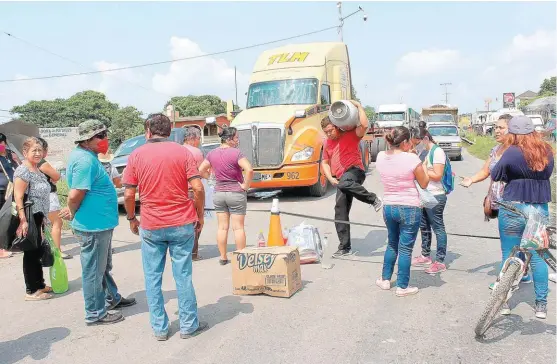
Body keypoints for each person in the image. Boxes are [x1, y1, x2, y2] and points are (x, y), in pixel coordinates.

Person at [123, 113, 208, 341]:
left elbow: (129, 193)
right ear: (170, 131)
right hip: (182, 222)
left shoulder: (136, 155)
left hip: (151, 225)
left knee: (152, 277)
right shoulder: (182, 152)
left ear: (148, 131)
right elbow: (198, 189)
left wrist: (132, 218)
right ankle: (189, 325)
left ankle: (160, 329)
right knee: (183, 276)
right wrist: (199, 215)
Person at [60, 119, 136, 326]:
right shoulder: (85, 160)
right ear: (86, 140)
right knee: (94, 269)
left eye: (105, 135)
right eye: (100, 136)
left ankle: (112, 298)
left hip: (99, 223)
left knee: (102, 266)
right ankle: (95, 313)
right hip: (92, 225)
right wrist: (72, 210)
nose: (105, 140)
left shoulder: (89, 157)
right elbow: (76, 194)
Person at [490, 115, 554, 319]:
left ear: (514, 133)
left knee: (508, 254)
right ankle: (541, 305)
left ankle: (504, 303)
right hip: (538, 211)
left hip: (512, 208)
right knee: (537, 257)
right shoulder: (547, 151)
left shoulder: (512, 152)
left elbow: (497, 174)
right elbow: (548, 173)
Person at [459, 114, 534, 286]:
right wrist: (471, 179)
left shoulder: (519, 152)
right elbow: (486, 171)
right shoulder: (496, 150)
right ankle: (520, 272)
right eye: (496, 127)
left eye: (501, 127)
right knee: (512, 243)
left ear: (513, 129)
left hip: (515, 203)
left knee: (512, 244)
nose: (496, 130)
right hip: (498, 201)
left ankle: (506, 281)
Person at [320, 100, 382, 257]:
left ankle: (373, 199)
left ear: (336, 126)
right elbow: (325, 162)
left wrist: (360, 107)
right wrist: (330, 178)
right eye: (325, 132)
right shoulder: (327, 143)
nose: (328, 134)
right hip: (341, 180)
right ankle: (344, 247)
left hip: (355, 171)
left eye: (330, 131)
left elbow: (364, 126)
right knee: (340, 210)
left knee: (346, 182)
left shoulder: (350, 134)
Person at [375, 127, 429, 296]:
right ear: (405, 142)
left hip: (389, 206)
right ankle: (402, 286)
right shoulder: (412, 158)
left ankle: (385, 280)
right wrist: (422, 164)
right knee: (405, 249)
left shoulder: (381, 156)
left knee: (392, 244)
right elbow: (425, 183)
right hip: (409, 207)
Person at [199, 126, 253, 265]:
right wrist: (245, 185)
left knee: (222, 227)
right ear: (229, 140)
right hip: (235, 192)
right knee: (238, 227)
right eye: (236, 138)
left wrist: (210, 178)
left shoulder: (212, 154)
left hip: (219, 194)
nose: (237, 141)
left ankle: (223, 257)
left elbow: (200, 170)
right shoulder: (236, 153)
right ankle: (241, 257)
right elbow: (249, 169)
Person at [13, 137, 52, 300]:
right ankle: (31, 290)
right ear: (25, 152)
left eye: (40, 150)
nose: (37, 153)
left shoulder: (37, 169)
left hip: (38, 216)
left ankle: (40, 284)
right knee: (30, 253)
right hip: (29, 217)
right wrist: (23, 220)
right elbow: (18, 196)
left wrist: (43, 218)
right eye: (34, 150)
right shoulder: (23, 170)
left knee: (37, 251)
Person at [411, 128, 450, 274]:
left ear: (426, 139)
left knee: (438, 227)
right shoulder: (424, 152)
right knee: (424, 226)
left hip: (435, 195)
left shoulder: (437, 152)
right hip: (424, 195)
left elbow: (437, 175)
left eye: (418, 142)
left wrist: (420, 170)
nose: (416, 145)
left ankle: (440, 261)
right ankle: (425, 255)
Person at [36, 137, 71, 260]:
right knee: (57, 222)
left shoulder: (27, 162)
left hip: (36, 196)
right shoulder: (42, 162)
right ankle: (57, 252)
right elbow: (57, 176)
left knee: (42, 225)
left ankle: (44, 251)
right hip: (48, 196)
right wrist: (53, 177)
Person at [183, 126, 205, 261]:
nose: (199, 141)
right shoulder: (196, 152)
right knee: (197, 221)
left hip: (178, 192)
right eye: (198, 139)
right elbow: (201, 172)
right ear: (193, 139)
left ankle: (183, 251)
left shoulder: (178, 150)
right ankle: (193, 253)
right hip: (193, 191)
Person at [0, 133, 20, 259]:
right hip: (1, 190)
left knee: (11, 217)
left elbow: (19, 167)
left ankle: (9, 242)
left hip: (13, 190)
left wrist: (16, 160)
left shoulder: (9, 153)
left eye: (3, 142)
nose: (1, 145)